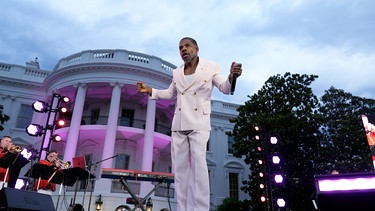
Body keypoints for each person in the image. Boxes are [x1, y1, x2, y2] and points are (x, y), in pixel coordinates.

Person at [136, 37, 243, 211]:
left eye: (187, 46)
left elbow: (225, 88)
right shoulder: (177, 72)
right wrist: (150, 90)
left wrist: (232, 76)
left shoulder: (211, 67)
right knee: (181, 173)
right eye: (180, 48)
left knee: (198, 169)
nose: (183, 49)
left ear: (196, 49)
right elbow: (171, 93)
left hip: (199, 124)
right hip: (179, 125)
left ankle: (200, 208)